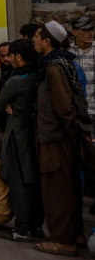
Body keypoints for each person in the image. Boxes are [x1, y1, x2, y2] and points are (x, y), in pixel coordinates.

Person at [32, 21, 91, 256]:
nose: (34, 41)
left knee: (58, 193)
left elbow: (64, 107)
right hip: (63, 138)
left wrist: (69, 134)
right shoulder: (62, 62)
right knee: (69, 189)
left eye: (37, 37)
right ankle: (75, 235)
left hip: (56, 140)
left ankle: (63, 241)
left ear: (47, 41)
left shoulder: (54, 67)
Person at [0, 38, 44, 242]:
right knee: (33, 181)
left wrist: (7, 106)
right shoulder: (38, 76)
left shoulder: (15, 80)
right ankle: (35, 225)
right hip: (34, 133)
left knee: (18, 182)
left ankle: (21, 228)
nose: (9, 59)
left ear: (18, 57)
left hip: (17, 134)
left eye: (11, 55)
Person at [71, 16, 94, 122]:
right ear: (74, 32)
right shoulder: (68, 53)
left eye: (92, 30)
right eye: (85, 30)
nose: (90, 33)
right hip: (76, 112)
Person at [0, 42, 13, 131]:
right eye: (2, 56)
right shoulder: (4, 71)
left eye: (8, 55)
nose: (6, 59)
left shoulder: (17, 73)